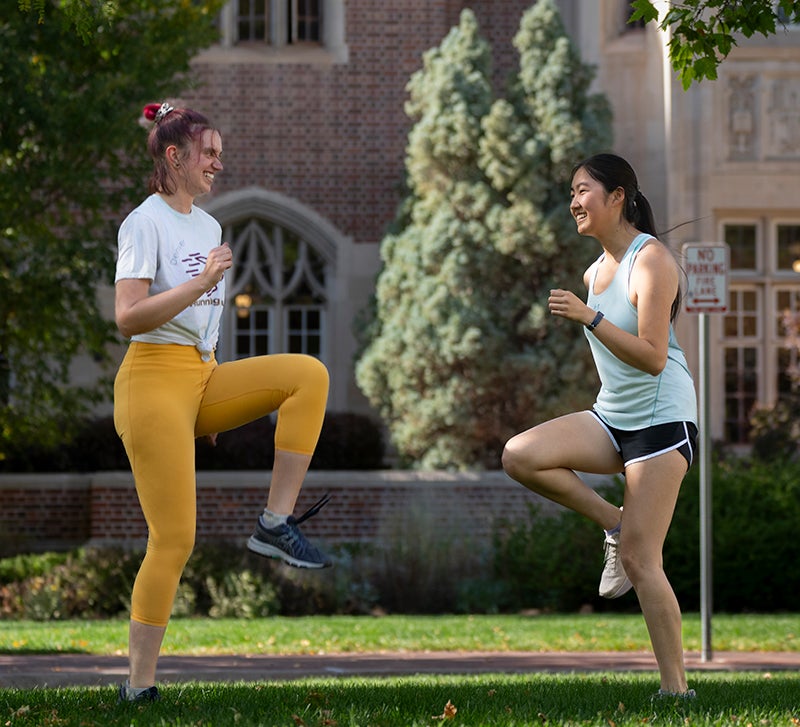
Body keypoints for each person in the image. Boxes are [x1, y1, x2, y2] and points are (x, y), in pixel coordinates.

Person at [113, 102, 332, 703]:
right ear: (174, 157)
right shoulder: (144, 223)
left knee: (307, 375)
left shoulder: (208, 227)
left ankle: (275, 522)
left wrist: (210, 399)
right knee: (174, 539)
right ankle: (138, 689)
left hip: (200, 377)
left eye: (219, 151)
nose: (218, 161)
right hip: (151, 381)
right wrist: (202, 283)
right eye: (207, 152)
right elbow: (128, 318)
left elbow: (206, 327)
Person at [501, 153, 698, 698]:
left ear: (618, 196)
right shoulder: (594, 273)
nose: (573, 202)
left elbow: (654, 357)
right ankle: (613, 521)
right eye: (571, 192)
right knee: (520, 454)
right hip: (613, 415)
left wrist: (591, 317)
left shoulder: (652, 260)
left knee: (640, 559)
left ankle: (676, 691)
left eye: (583, 190)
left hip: (663, 420)